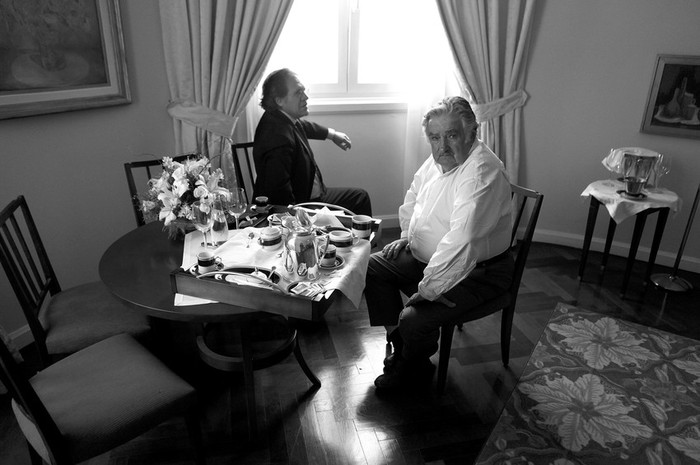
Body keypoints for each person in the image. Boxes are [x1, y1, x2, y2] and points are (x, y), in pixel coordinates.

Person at [364, 96, 514, 392]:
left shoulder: (480, 173)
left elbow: (463, 241)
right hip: (430, 259)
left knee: (413, 317)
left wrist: (429, 289)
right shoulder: (441, 159)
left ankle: (412, 366)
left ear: (473, 133)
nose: (442, 146)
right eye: (434, 137)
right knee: (371, 267)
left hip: (476, 273)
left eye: (452, 135)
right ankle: (405, 348)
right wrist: (406, 236)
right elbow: (414, 196)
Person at [253, 68, 372, 216]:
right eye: (298, 93)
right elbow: (280, 195)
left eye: (304, 91)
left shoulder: (281, 119)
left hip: (311, 195)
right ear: (279, 100)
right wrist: (304, 222)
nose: (306, 97)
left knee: (360, 197)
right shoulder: (278, 139)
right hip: (303, 205)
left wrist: (332, 135)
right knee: (360, 199)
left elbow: (305, 126)